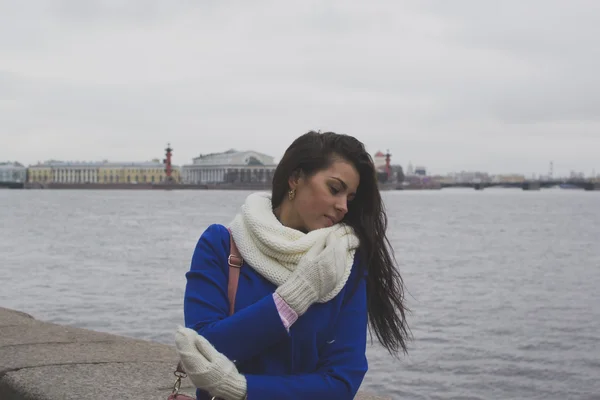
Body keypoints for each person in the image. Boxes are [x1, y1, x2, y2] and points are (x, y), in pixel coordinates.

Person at [175, 131, 410, 400]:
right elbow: (201, 351)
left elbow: (342, 382)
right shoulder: (221, 244)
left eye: (350, 198)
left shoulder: (344, 264)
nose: (343, 206)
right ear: (295, 178)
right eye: (334, 189)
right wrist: (292, 299)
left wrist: (241, 389)